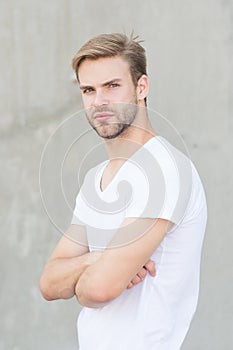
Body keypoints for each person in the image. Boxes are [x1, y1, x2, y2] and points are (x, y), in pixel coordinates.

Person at [40, 33, 207, 350]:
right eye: (89, 90)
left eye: (112, 86)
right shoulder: (96, 179)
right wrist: (99, 259)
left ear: (141, 87)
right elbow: (49, 282)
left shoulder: (163, 169)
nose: (99, 101)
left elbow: (98, 291)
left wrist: (90, 273)